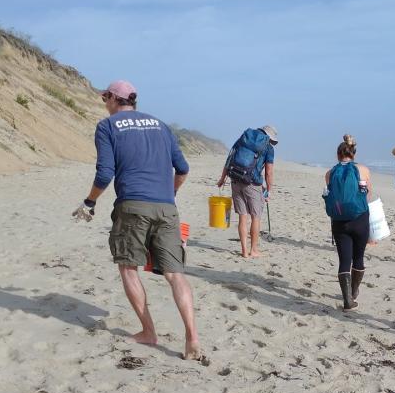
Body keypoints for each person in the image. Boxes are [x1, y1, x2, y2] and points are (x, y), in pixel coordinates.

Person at [71, 80, 202, 361]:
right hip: (166, 207)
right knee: (175, 274)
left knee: (129, 268)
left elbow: (105, 174)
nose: (104, 102)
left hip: (132, 205)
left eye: (105, 97)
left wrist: (90, 201)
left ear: (115, 99)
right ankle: (192, 337)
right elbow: (183, 169)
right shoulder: (160, 125)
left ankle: (148, 332)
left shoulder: (107, 127)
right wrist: (171, 193)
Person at [324, 134, 372, 310]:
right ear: (354, 154)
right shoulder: (364, 170)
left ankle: (347, 301)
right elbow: (368, 196)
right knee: (358, 258)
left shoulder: (330, 173)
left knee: (344, 260)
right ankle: (353, 291)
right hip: (360, 219)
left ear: (338, 154)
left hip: (339, 221)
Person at [217, 125, 277, 258]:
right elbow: (269, 172)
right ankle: (253, 250)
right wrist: (269, 190)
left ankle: (244, 251)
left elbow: (230, 158)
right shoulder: (268, 147)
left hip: (235, 178)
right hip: (252, 183)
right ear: (269, 136)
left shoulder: (244, 138)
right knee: (256, 217)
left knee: (242, 216)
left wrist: (222, 178)